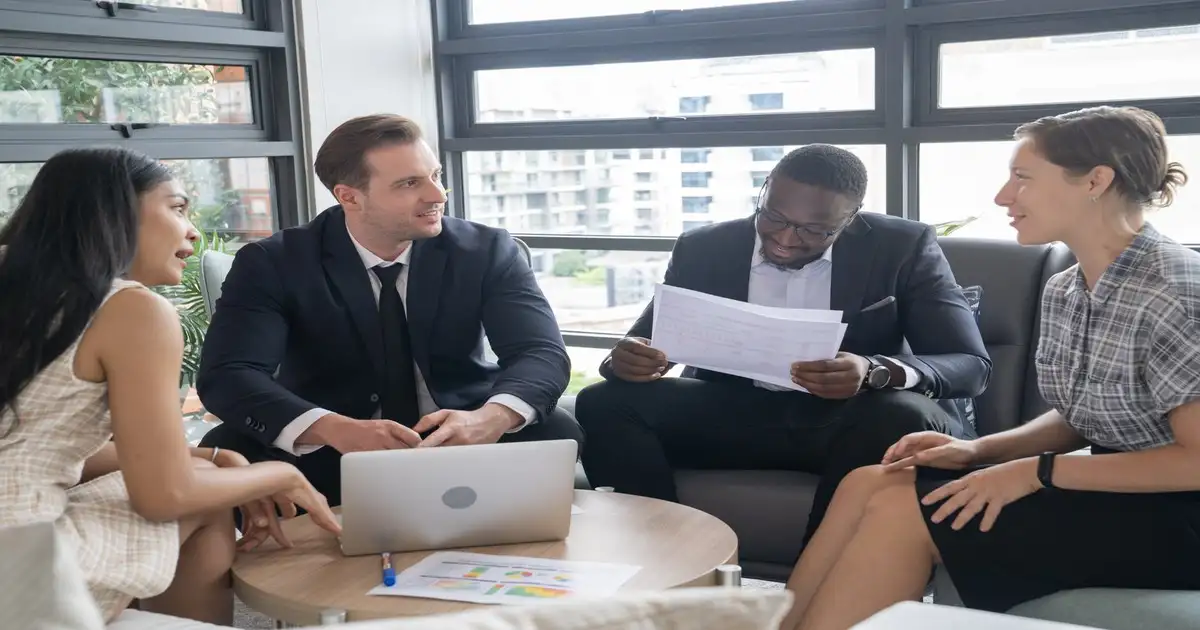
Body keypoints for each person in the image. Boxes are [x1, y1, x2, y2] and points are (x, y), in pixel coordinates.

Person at [780, 105, 1200, 630]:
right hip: (1117, 489)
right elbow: (1086, 414)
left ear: (1096, 181)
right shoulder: (1068, 288)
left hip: (1180, 513)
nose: (1004, 196)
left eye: (1023, 178)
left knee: (906, 512)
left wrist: (1037, 472)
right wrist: (979, 451)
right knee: (871, 482)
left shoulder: (1176, 291)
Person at [575, 144, 991, 544]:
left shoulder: (901, 247)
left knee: (898, 414)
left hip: (848, 423)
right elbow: (639, 342)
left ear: (850, 217)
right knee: (602, 402)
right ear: (765, 190)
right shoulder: (705, 248)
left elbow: (970, 364)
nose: (786, 239)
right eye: (773, 217)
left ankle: (823, 575)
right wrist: (626, 361)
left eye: (814, 230)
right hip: (734, 414)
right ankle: (665, 557)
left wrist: (875, 371)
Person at [0, 148, 340, 626]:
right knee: (204, 498)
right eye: (177, 208)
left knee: (204, 476)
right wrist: (281, 475)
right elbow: (166, 496)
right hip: (20, 569)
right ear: (115, 211)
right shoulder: (128, 309)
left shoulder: (19, 285)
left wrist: (214, 457)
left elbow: (30, 447)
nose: (193, 231)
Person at [197, 114, 581, 506]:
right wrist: (334, 428)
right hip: (332, 447)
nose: (437, 195)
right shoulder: (274, 263)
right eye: (409, 184)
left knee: (556, 430)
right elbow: (229, 375)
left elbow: (541, 352)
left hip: (461, 437)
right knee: (229, 446)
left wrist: (489, 418)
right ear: (349, 197)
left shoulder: (486, 250)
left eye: (435, 175)